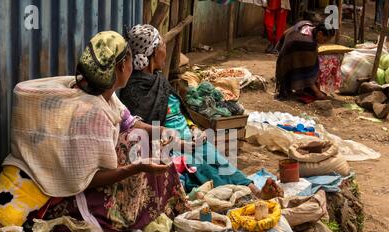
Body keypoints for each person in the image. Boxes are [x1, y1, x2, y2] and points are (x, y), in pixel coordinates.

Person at [0, 31, 189, 232]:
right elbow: (87, 179)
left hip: (71, 172)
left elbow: (127, 120)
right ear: (122, 67)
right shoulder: (94, 112)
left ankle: (162, 206)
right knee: (137, 146)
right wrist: (136, 168)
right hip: (71, 191)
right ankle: (126, 217)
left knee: (143, 139)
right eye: (129, 60)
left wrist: (161, 132)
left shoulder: (91, 89)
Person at [119, 24, 282, 199]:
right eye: (162, 46)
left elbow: (179, 113)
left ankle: (254, 190)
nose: (165, 49)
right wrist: (180, 143)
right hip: (169, 148)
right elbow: (143, 136)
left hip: (190, 139)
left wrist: (192, 127)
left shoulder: (159, 79)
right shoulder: (134, 91)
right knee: (204, 169)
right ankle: (244, 197)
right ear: (152, 52)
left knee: (220, 160)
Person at [275, 21, 336, 100]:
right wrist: (317, 92)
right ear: (320, 33)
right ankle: (297, 86)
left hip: (289, 46)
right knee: (304, 64)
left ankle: (300, 87)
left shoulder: (308, 25)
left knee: (308, 60)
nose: (324, 43)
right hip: (287, 55)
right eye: (325, 40)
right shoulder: (306, 42)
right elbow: (306, 70)